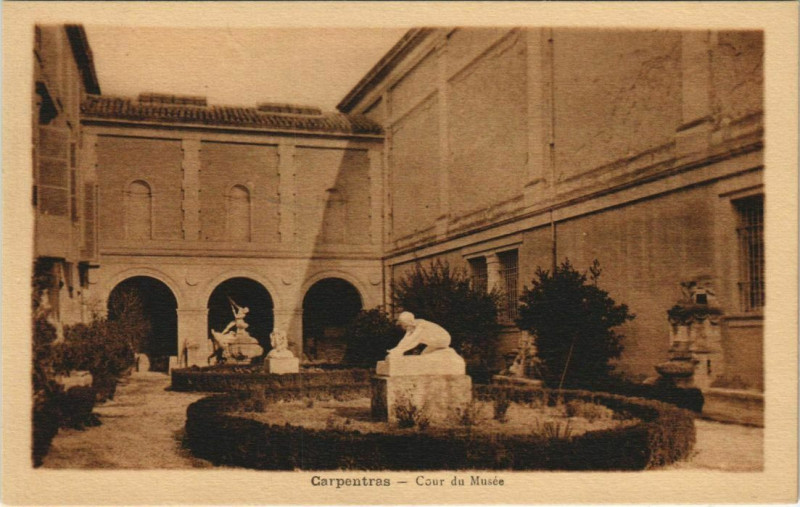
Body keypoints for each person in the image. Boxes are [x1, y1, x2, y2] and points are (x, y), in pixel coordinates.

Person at [387, 311, 451, 357]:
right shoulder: (411, 326)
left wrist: (399, 351)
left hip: (444, 339)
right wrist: (397, 348)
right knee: (424, 356)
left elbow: (413, 340)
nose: (404, 327)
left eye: (404, 324)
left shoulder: (421, 325)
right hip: (435, 342)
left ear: (409, 321)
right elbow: (405, 339)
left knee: (418, 338)